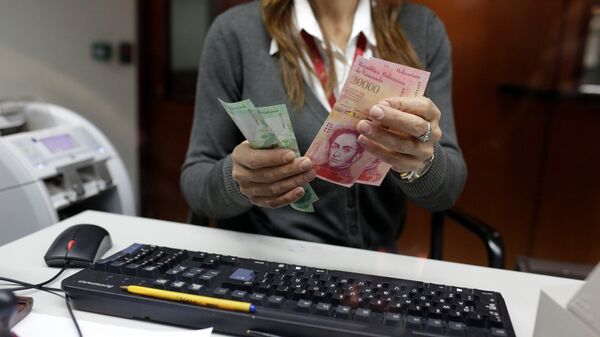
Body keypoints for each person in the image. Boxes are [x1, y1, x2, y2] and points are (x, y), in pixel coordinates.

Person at [181, 0, 467, 250]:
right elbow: (196, 181)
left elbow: (447, 191)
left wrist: (421, 162)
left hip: (373, 274)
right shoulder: (235, 32)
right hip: (268, 263)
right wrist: (237, 181)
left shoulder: (423, 29)